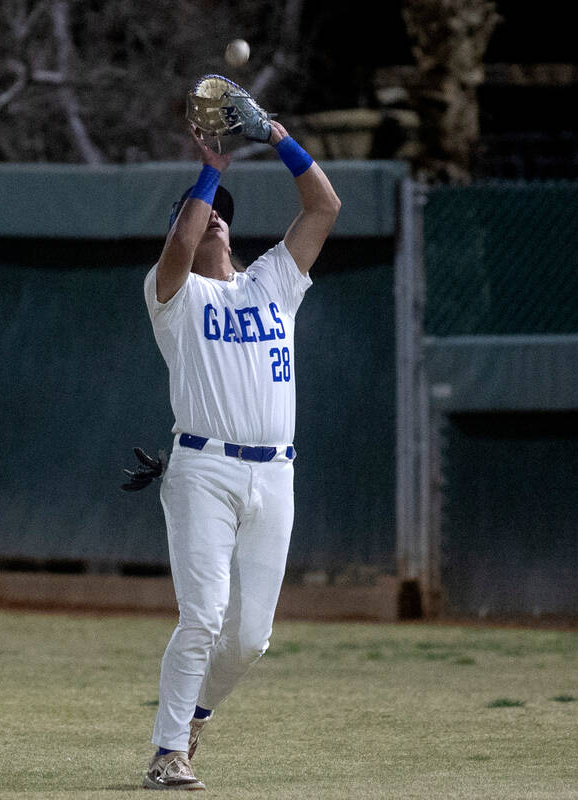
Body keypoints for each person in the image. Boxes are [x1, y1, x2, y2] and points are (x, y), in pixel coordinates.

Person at [139, 121, 340, 790]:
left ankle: (194, 716)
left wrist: (279, 138)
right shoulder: (174, 297)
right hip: (204, 469)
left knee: (251, 638)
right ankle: (168, 752)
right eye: (201, 220)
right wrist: (211, 172)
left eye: (221, 217)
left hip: (275, 472)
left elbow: (324, 207)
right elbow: (178, 247)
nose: (213, 224)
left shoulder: (275, 282)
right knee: (201, 616)